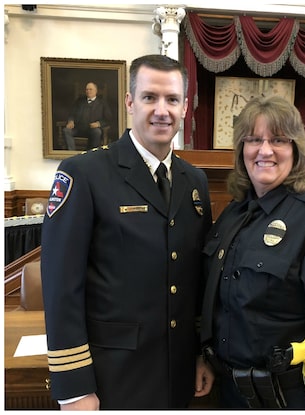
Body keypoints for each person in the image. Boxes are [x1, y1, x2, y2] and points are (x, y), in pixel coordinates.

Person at [40, 54, 214, 409]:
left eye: (172, 99)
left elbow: (196, 279)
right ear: (129, 102)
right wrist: (74, 387)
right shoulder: (84, 173)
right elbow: (61, 286)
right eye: (150, 97)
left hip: (180, 371)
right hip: (112, 375)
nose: (162, 110)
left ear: (184, 108)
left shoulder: (194, 181)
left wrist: (201, 354)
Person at [201, 95, 305, 409]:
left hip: (287, 398)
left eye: (278, 139)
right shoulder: (235, 212)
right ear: (241, 150)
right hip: (229, 392)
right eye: (253, 140)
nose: (264, 150)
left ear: (295, 149)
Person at [62, 81, 113, 150]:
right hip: (78, 128)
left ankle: (91, 154)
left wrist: (99, 123)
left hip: (92, 130)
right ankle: (72, 153)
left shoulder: (102, 103)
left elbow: (108, 118)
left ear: (96, 91)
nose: (88, 91)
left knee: (97, 132)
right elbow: (71, 114)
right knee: (66, 130)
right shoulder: (79, 101)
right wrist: (71, 121)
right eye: (87, 89)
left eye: (90, 89)